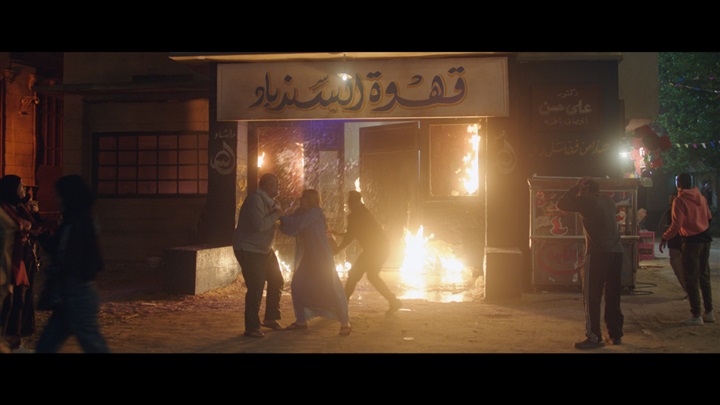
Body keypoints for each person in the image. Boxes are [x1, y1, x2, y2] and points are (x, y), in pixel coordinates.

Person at [35, 175, 110, 353]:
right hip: (72, 293)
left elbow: (67, 256)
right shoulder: (80, 220)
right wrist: (40, 236)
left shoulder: (77, 222)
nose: (57, 199)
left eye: (60, 195)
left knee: (92, 345)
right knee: (47, 345)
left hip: (76, 293)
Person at [557, 176, 624, 350]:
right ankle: (615, 334)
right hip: (617, 252)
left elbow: (561, 203)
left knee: (591, 296)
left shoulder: (586, 201)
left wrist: (575, 188)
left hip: (598, 253)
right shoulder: (608, 201)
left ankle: (594, 336)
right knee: (613, 294)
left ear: (586, 189)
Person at [279, 189, 351, 335]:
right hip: (309, 257)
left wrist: (279, 216)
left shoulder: (315, 213)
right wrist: (280, 222)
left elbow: (297, 224)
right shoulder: (303, 213)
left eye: (304, 198)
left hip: (322, 256)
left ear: (311, 200)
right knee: (297, 285)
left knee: (332, 287)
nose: (300, 200)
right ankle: (301, 320)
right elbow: (292, 229)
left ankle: (345, 322)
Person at [233, 173, 285, 338]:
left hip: (264, 250)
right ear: (269, 186)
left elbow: (274, 219)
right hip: (249, 249)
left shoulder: (271, 202)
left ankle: (270, 318)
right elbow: (258, 225)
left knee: (276, 280)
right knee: (256, 285)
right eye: (276, 184)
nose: (279, 187)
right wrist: (276, 215)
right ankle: (251, 327)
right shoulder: (255, 200)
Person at [0, 175, 49, 350]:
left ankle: (16, 334)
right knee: (9, 298)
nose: (24, 189)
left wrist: (33, 211)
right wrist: (27, 226)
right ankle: (8, 335)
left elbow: (36, 226)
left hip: (22, 255)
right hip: (9, 257)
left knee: (21, 297)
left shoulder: (19, 206)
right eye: (21, 186)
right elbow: (21, 226)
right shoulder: (4, 208)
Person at [333, 190, 402, 314]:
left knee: (354, 275)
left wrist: (336, 250)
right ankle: (393, 301)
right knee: (372, 276)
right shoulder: (364, 212)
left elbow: (350, 237)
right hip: (381, 248)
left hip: (373, 250)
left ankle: (342, 306)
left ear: (350, 202)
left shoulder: (354, 215)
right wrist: (339, 234)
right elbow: (355, 232)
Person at [661, 173, 714, 325]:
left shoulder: (679, 201)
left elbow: (677, 225)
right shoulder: (701, 198)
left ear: (678, 184)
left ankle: (696, 314)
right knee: (704, 276)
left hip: (691, 242)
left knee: (691, 278)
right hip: (706, 239)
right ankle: (709, 312)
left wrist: (665, 237)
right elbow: (709, 217)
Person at [657, 193, 687, 298]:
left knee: (679, 268)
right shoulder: (683, 211)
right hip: (683, 242)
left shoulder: (670, 212)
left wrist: (667, 234)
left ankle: (690, 291)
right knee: (683, 268)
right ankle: (691, 291)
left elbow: (662, 226)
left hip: (678, 243)